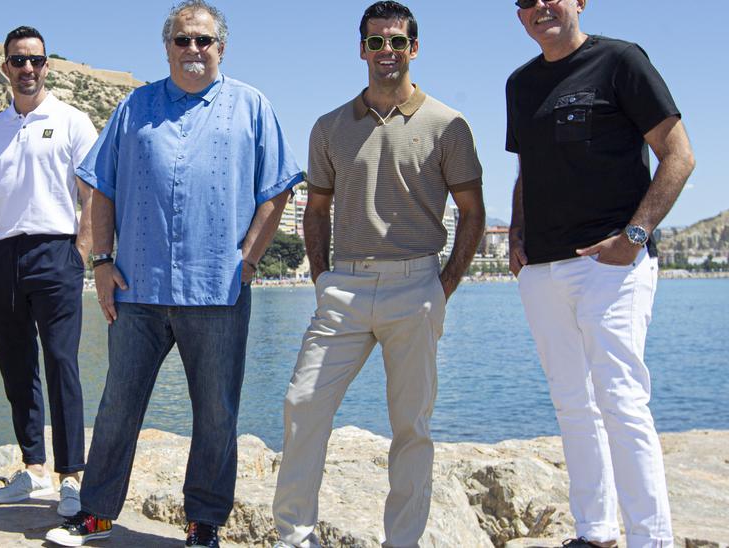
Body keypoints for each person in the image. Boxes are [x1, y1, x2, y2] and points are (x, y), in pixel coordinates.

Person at [44, 2, 303, 546]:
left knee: (215, 414)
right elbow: (99, 185)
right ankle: (96, 513)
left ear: (221, 48)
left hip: (218, 289)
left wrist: (250, 259)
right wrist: (101, 261)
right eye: (183, 40)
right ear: (167, 47)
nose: (193, 50)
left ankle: (203, 522)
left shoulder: (252, 106)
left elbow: (278, 189)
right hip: (138, 287)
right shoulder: (134, 107)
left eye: (204, 41)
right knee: (118, 405)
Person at [271, 3, 485, 546]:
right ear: (360, 49)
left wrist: (445, 285)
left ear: (414, 48)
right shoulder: (330, 127)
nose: (385, 52)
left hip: (417, 287)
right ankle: (295, 535)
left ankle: (403, 541)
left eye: (395, 42)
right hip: (343, 288)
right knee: (302, 404)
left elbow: (473, 212)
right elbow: (315, 209)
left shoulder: (448, 125)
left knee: (411, 428)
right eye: (375, 42)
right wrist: (321, 280)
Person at [506, 1, 695, 547]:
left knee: (621, 400)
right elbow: (526, 168)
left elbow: (678, 155)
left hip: (612, 264)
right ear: (519, 16)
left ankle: (651, 539)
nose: (541, 6)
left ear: (579, 1)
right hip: (542, 268)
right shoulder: (520, 84)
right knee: (571, 402)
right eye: (526, 0)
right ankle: (596, 532)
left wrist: (634, 236)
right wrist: (517, 235)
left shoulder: (621, 61)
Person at [0, 25, 98, 517]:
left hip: (56, 253)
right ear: (5, 67)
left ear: (47, 66)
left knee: (62, 362)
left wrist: (79, 253)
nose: (27, 69)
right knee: (16, 366)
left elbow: (91, 196)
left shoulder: (73, 122)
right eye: (18, 61)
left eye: (36, 61)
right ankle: (32, 467)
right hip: (0, 257)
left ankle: (71, 476)